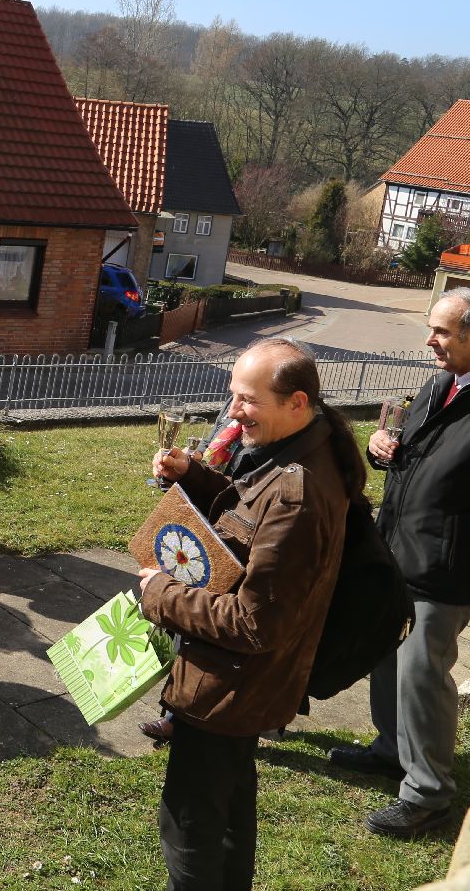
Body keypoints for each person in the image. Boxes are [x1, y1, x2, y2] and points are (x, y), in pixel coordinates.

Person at [331, 289, 470, 838]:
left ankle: (429, 795)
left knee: (421, 675)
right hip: (398, 552)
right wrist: (384, 445)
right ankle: (392, 749)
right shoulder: (442, 383)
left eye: (440, 331)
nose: (429, 340)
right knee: (385, 656)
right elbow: (415, 454)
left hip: (447, 569)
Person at [138, 338, 357, 889]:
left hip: (231, 686)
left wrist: (160, 593)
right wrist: (193, 473)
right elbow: (246, 513)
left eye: (247, 400)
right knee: (228, 808)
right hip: (244, 685)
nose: (233, 412)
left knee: (189, 822)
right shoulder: (298, 452)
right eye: (233, 396)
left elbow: (255, 623)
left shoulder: (298, 492)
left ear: (297, 403)